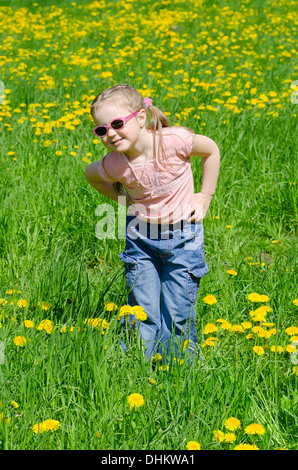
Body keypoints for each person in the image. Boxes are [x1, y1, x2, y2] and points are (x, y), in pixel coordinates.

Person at [85, 84, 220, 362]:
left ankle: (178, 366)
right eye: (101, 130)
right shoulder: (115, 164)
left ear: (141, 118)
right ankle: (137, 365)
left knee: (179, 309)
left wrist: (204, 196)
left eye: (117, 123)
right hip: (140, 241)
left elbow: (211, 151)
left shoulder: (173, 141)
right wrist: (124, 201)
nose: (110, 133)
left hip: (184, 238)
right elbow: (91, 175)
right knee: (141, 307)